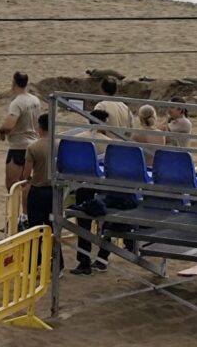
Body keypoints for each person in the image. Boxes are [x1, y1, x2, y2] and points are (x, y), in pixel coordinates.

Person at [72, 109, 113, 275]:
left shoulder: (77, 139)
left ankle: (84, 262)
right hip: (102, 186)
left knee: (84, 224)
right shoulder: (109, 142)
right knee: (106, 223)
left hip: (83, 184)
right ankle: (102, 258)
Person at [0, 71, 42, 193]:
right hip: (33, 143)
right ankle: (26, 211)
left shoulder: (17, 102)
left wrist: (1, 132)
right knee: (27, 181)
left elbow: (8, 125)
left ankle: (17, 211)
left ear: (14, 83)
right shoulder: (35, 100)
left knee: (12, 184)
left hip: (19, 147)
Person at [23, 113, 53, 230]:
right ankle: (55, 248)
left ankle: (37, 248)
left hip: (38, 190)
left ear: (39, 127)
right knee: (53, 225)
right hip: (55, 190)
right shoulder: (60, 144)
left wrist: (29, 179)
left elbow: (26, 174)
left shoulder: (33, 147)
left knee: (35, 226)